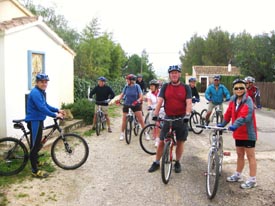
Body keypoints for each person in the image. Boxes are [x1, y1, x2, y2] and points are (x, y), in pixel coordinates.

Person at [148, 65, 192, 173]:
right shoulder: (165, 87)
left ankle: (177, 162)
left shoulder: (186, 87)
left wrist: (187, 114)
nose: (174, 74)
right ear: (170, 75)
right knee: (162, 141)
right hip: (168, 117)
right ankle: (157, 162)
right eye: (172, 73)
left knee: (180, 141)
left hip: (182, 118)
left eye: (176, 72)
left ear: (179, 74)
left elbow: (189, 102)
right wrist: (155, 113)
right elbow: (160, 101)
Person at [217, 79, 258, 189]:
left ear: (245, 89)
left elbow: (246, 116)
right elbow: (228, 113)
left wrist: (235, 124)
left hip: (248, 133)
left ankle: (252, 180)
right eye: (236, 88)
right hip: (238, 133)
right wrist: (223, 123)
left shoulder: (248, 100)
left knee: (250, 156)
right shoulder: (233, 100)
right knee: (240, 155)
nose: (239, 90)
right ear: (233, 90)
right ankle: (238, 175)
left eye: (241, 88)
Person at [25, 73, 65, 178]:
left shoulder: (40, 92)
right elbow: (42, 108)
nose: (44, 84)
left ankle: (36, 161)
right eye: (42, 82)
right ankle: (34, 170)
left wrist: (57, 110)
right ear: (37, 82)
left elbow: (45, 105)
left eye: (45, 82)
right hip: (34, 121)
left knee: (37, 143)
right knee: (34, 146)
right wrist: (55, 115)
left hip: (38, 120)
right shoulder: (35, 93)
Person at [116, 74, 149, 141]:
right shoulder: (126, 86)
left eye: (127, 80)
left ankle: (145, 133)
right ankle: (122, 133)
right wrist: (118, 99)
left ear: (131, 81)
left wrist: (137, 101)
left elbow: (141, 96)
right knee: (124, 120)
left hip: (135, 104)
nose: (126, 81)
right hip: (127, 104)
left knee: (140, 120)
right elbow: (122, 94)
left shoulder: (137, 86)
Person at [146, 79, 165, 147]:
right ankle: (157, 138)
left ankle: (159, 139)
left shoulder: (161, 92)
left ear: (156, 86)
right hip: (154, 110)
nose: (151, 87)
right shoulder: (149, 94)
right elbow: (149, 101)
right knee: (155, 125)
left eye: (152, 86)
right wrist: (149, 106)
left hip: (162, 110)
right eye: (150, 86)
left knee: (161, 124)